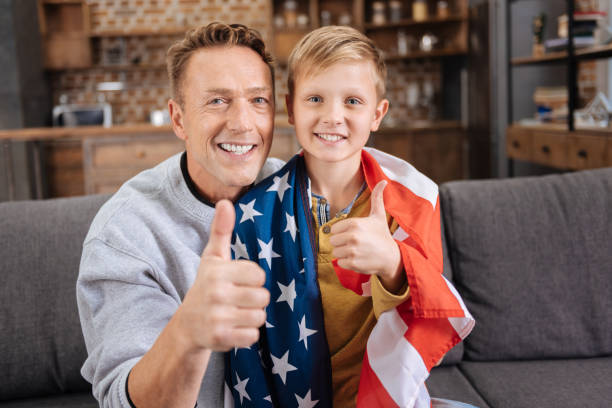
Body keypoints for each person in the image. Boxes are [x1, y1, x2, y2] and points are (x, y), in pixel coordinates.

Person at [225, 26, 475, 408]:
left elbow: (428, 318)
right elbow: (246, 349)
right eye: (315, 99)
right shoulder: (254, 212)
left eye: (352, 101)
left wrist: (393, 262)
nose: (333, 116)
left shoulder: (410, 201)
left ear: (378, 114)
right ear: (291, 109)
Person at [77, 22, 284, 407]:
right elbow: (124, 400)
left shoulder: (299, 193)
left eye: (259, 100)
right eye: (217, 101)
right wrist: (189, 331)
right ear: (178, 119)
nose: (242, 123)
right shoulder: (123, 234)